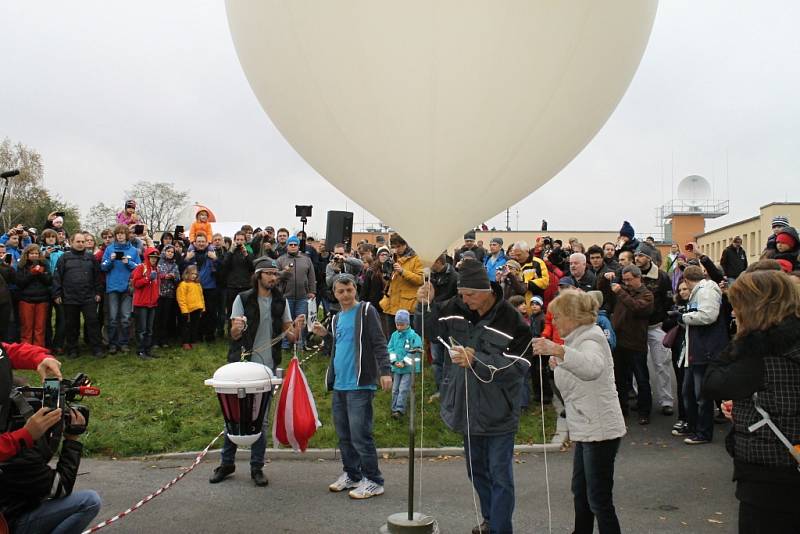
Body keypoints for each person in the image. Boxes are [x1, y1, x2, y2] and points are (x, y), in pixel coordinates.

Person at [416, 259, 532, 534]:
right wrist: (424, 306)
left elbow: (521, 365)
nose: (464, 300)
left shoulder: (512, 319)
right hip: (466, 406)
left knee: (500, 475)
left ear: (486, 290)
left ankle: (500, 529)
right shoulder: (456, 306)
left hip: (499, 410)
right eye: (461, 294)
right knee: (477, 472)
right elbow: (429, 331)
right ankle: (491, 520)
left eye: (470, 295)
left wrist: (477, 359)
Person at [703, 270, 800, 533]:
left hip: (768, 476)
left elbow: (712, 381)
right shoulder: (790, 344)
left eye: (738, 307)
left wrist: (743, 340)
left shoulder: (758, 356)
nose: (733, 314)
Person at [533, 290, 626, 534]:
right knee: (581, 491)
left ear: (573, 316)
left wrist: (560, 353)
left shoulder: (591, 338)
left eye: (558, 317)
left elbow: (592, 367)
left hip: (600, 429)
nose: (553, 322)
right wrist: (559, 362)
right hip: (586, 427)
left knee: (598, 498)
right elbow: (575, 377)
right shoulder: (576, 340)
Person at [210, 257, 305, 487]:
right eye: (269, 274)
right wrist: (236, 328)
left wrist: (298, 329)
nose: (273, 278)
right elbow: (233, 334)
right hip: (241, 368)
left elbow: (290, 336)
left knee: (260, 420)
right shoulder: (242, 298)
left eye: (276, 274)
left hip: (267, 369)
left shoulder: (280, 301)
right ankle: (227, 463)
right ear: (258, 275)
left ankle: (257, 467)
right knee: (233, 418)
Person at [312, 274, 392, 500]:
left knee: (360, 435)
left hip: (361, 383)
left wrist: (385, 372)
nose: (345, 295)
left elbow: (379, 341)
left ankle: (374, 480)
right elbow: (338, 345)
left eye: (349, 290)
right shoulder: (337, 318)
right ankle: (352, 474)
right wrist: (325, 335)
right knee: (344, 435)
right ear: (334, 294)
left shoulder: (366, 311)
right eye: (340, 291)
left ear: (355, 289)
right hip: (340, 384)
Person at [673, 265, 728, 445]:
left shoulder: (706, 291)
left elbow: (708, 316)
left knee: (701, 395)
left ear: (687, 280)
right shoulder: (701, 292)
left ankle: (703, 432)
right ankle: (693, 426)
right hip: (696, 350)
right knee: (688, 391)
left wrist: (684, 317)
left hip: (705, 350)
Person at [600, 266, 654, 424]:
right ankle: (621, 409)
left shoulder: (647, 294)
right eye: (625, 280)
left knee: (642, 379)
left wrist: (621, 292)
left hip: (636, 343)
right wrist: (605, 278)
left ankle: (644, 411)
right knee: (619, 378)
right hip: (620, 341)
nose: (627, 283)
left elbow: (637, 307)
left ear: (638, 278)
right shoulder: (622, 290)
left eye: (629, 280)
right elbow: (602, 290)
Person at [635, 241, 676, 417]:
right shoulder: (632, 274)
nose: (637, 258)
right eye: (636, 255)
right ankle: (642, 398)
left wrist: (666, 322)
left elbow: (668, 300)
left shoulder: (662, 276)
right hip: (637, 327)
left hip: (656, 325)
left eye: (641, 255)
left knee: (662, 364)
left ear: (649, 257)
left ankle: (667, 400)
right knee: (638, 366)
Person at [52, 233, 104, 358]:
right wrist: (57, 293)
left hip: (89, 297)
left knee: (93, 323)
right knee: (72, 324)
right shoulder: (64, 258)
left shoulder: (91, 258)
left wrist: (98, 292)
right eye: (78, 241)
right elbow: (57, 277)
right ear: (71, 242)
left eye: (83, 241)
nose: (81, 244)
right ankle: (72, 349)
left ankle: (96, 348)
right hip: (70, 297)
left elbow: (97, 277)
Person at [100, 224, 140, 354]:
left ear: (126, 235)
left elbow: (139, 268)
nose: (120, 236)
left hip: (127, 288)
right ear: (116, 236)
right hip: (112, 287)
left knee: (126, 317)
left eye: (123, 233)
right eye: (118, 234)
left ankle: (124, 343)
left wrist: (128, 262)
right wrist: (111, 260)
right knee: (112, 318)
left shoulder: (133, 251)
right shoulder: (109, 249)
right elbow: (103, 267)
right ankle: (112, 344)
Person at [277, 235, 316, 349]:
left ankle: (299, 343)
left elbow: (311, 277)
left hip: (303, 296)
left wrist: (312, 291)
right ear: (287, 246)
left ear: (298, 246)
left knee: (301, 321)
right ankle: (285, 344)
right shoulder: (281, 260)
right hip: (286, 296)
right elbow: (275, 276)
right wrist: (284, 272)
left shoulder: (306, 259)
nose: (293, 246)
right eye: (291, 245)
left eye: (295, 245)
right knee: (286, 321)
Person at [380, 234, 423, 335]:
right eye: (394, 247)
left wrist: (403, 272)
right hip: (391, 305)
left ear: (406, 244)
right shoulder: (391, 258)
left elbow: (420, 279)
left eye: (399, 246)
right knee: (392, 340)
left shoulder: (416, 258)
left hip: (407, 307)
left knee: (408, 340)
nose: (396, 249)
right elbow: (390, 281)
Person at [184, 233, 222, 343]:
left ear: (207, 243)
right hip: (194, 288)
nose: (201, 244)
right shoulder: (190, 255)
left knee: (210, 313)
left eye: (203, 241)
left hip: (210, 288)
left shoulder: (212, 254)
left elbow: (222, 269)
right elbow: (181, 268)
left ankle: (210, 336)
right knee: (196, 313)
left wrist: (216, 259)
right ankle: (197, 336)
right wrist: (186, 259)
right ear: (194, 243)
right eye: (199, 241)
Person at [387, 309, 422, 419]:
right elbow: (390, 348)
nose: (399, 327)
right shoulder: (394, 335)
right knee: (395, 389)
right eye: (397, 324)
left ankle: (399, 410)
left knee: (403, 388)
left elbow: (415, 351)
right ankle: (393, 409)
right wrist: (393, 361)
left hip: (408, 369)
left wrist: (404, 362)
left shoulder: (414, 336)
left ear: (408, 323)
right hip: (396, 367)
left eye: (402, 324)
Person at [16, 245, 52, 347]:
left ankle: (38, 351)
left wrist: (40, 273)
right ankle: (26, 351)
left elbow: (49, 281)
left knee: (40, 328)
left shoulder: (44, 264)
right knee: (27, 328)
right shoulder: (21, 266)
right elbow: (19, 283)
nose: (34, 255)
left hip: (42, 299)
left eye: (36, 253)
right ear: (27, 255)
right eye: (32, 253)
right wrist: (32, 273)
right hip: (26, 300)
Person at [131, 247, 161, 360]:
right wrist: (148, 278)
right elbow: (136, 284)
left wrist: (156, 297)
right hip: (141, 304)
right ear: (147, 257)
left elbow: (157, 285)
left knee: (149, 329)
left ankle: (147, 350)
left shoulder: (156, 269)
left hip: (152, 303)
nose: (154, 259)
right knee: (142, 329)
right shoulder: (141, 267)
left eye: (156, 258)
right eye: (152, 257)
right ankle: (140, 351)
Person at [154, 245, 180, 347]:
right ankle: (155, 340)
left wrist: (173, 276)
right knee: (157, 318)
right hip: (159, 294)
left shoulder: (174, 265)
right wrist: (165, 276)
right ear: (164, 252)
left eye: (172, 252)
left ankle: (163, 340)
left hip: (169, 295)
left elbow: (178, 277)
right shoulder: (158, 263)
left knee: (166, 318)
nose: (170, 253)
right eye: (168, 251)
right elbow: (156, 274)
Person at [176, 265, 204, 350]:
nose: (194, 276)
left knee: (195, 326)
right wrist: (184, 311)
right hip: (187, 310)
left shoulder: (198, 284)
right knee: (186, 327)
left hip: (197, 309)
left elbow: (201, 297)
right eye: (192, 274)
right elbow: (181, 299)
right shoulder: (183, 284)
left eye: (195, 274)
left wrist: (203, 308)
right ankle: (185, 342)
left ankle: (193, 341)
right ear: (187, 273)